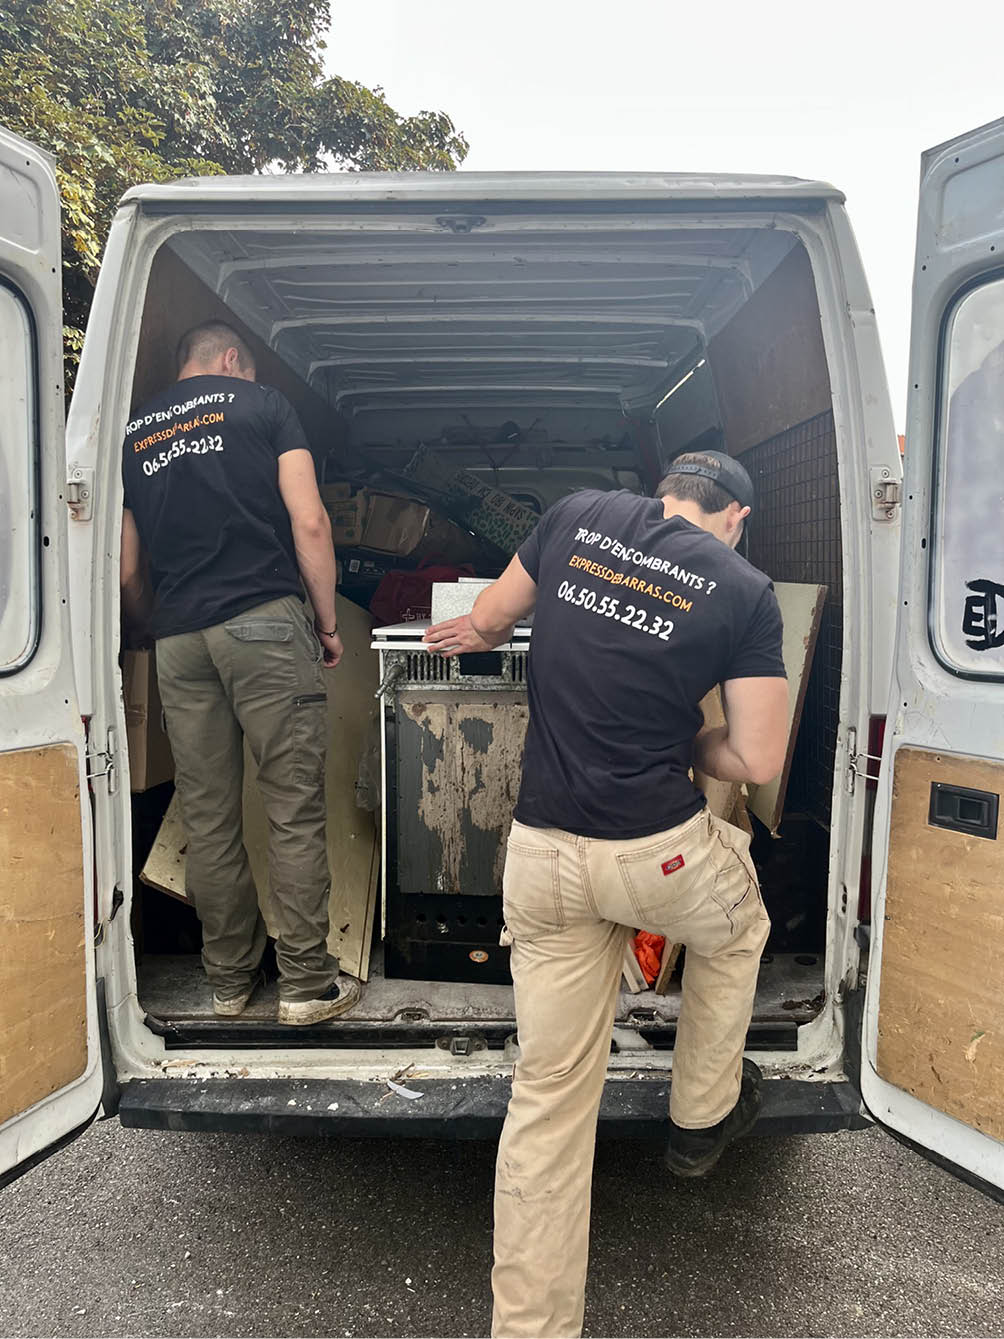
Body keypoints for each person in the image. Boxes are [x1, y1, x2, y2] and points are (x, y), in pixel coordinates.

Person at [424, 451, 788, 1338]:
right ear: (734, 513)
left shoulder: (575, 514)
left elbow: (493, 616)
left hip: (541, 856)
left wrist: (470, 629)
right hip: (654, 854)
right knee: (742, 923)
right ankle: (700, 1117)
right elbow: (759, 760)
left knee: (547, 1099)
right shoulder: (744, 588)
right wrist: (697, 744)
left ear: (664, 490)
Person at [120, 320, 360, 1025]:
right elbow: (310, 522)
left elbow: (130, 563)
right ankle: (306, 984)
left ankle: (228, 981)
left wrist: (146, 625)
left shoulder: (136, 433)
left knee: (208, 815)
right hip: (262, 620)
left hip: (179, 640)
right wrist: (325, 621)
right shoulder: (263, 407)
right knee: (290, 807)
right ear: (231, 360)